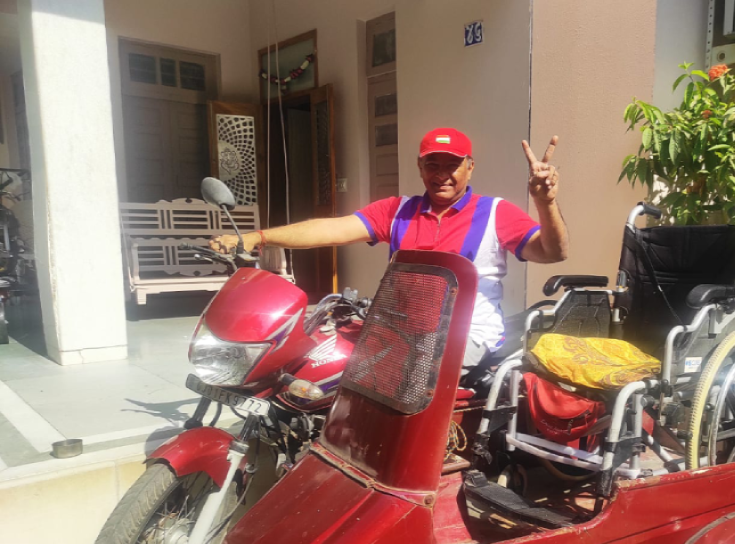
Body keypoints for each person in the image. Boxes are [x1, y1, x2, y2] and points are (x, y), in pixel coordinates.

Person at [211, 127, 568, 369]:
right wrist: (257, 237)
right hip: (399, 329)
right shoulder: (398, 211)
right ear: (420, 166)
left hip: (464, 336)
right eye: (433, 163)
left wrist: (546, 202)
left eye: (452, 165)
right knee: (316, 355)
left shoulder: (495, 212)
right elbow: (330, 229)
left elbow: (552, 252)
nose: (442, 173)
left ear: (470, 168)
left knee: (389, 372)